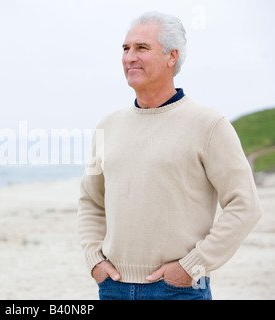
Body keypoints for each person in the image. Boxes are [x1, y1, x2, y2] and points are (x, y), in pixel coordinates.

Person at [77, 11, 262, 300]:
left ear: (171, 57)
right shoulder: (106, 126)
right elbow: (90, 201)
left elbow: (245, 206)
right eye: (126, 48)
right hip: (113, 287)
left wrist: (191, 267)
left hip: (179, 290)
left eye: (142, 48)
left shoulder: (209, 124)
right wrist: (94, 261)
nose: (129, 57)